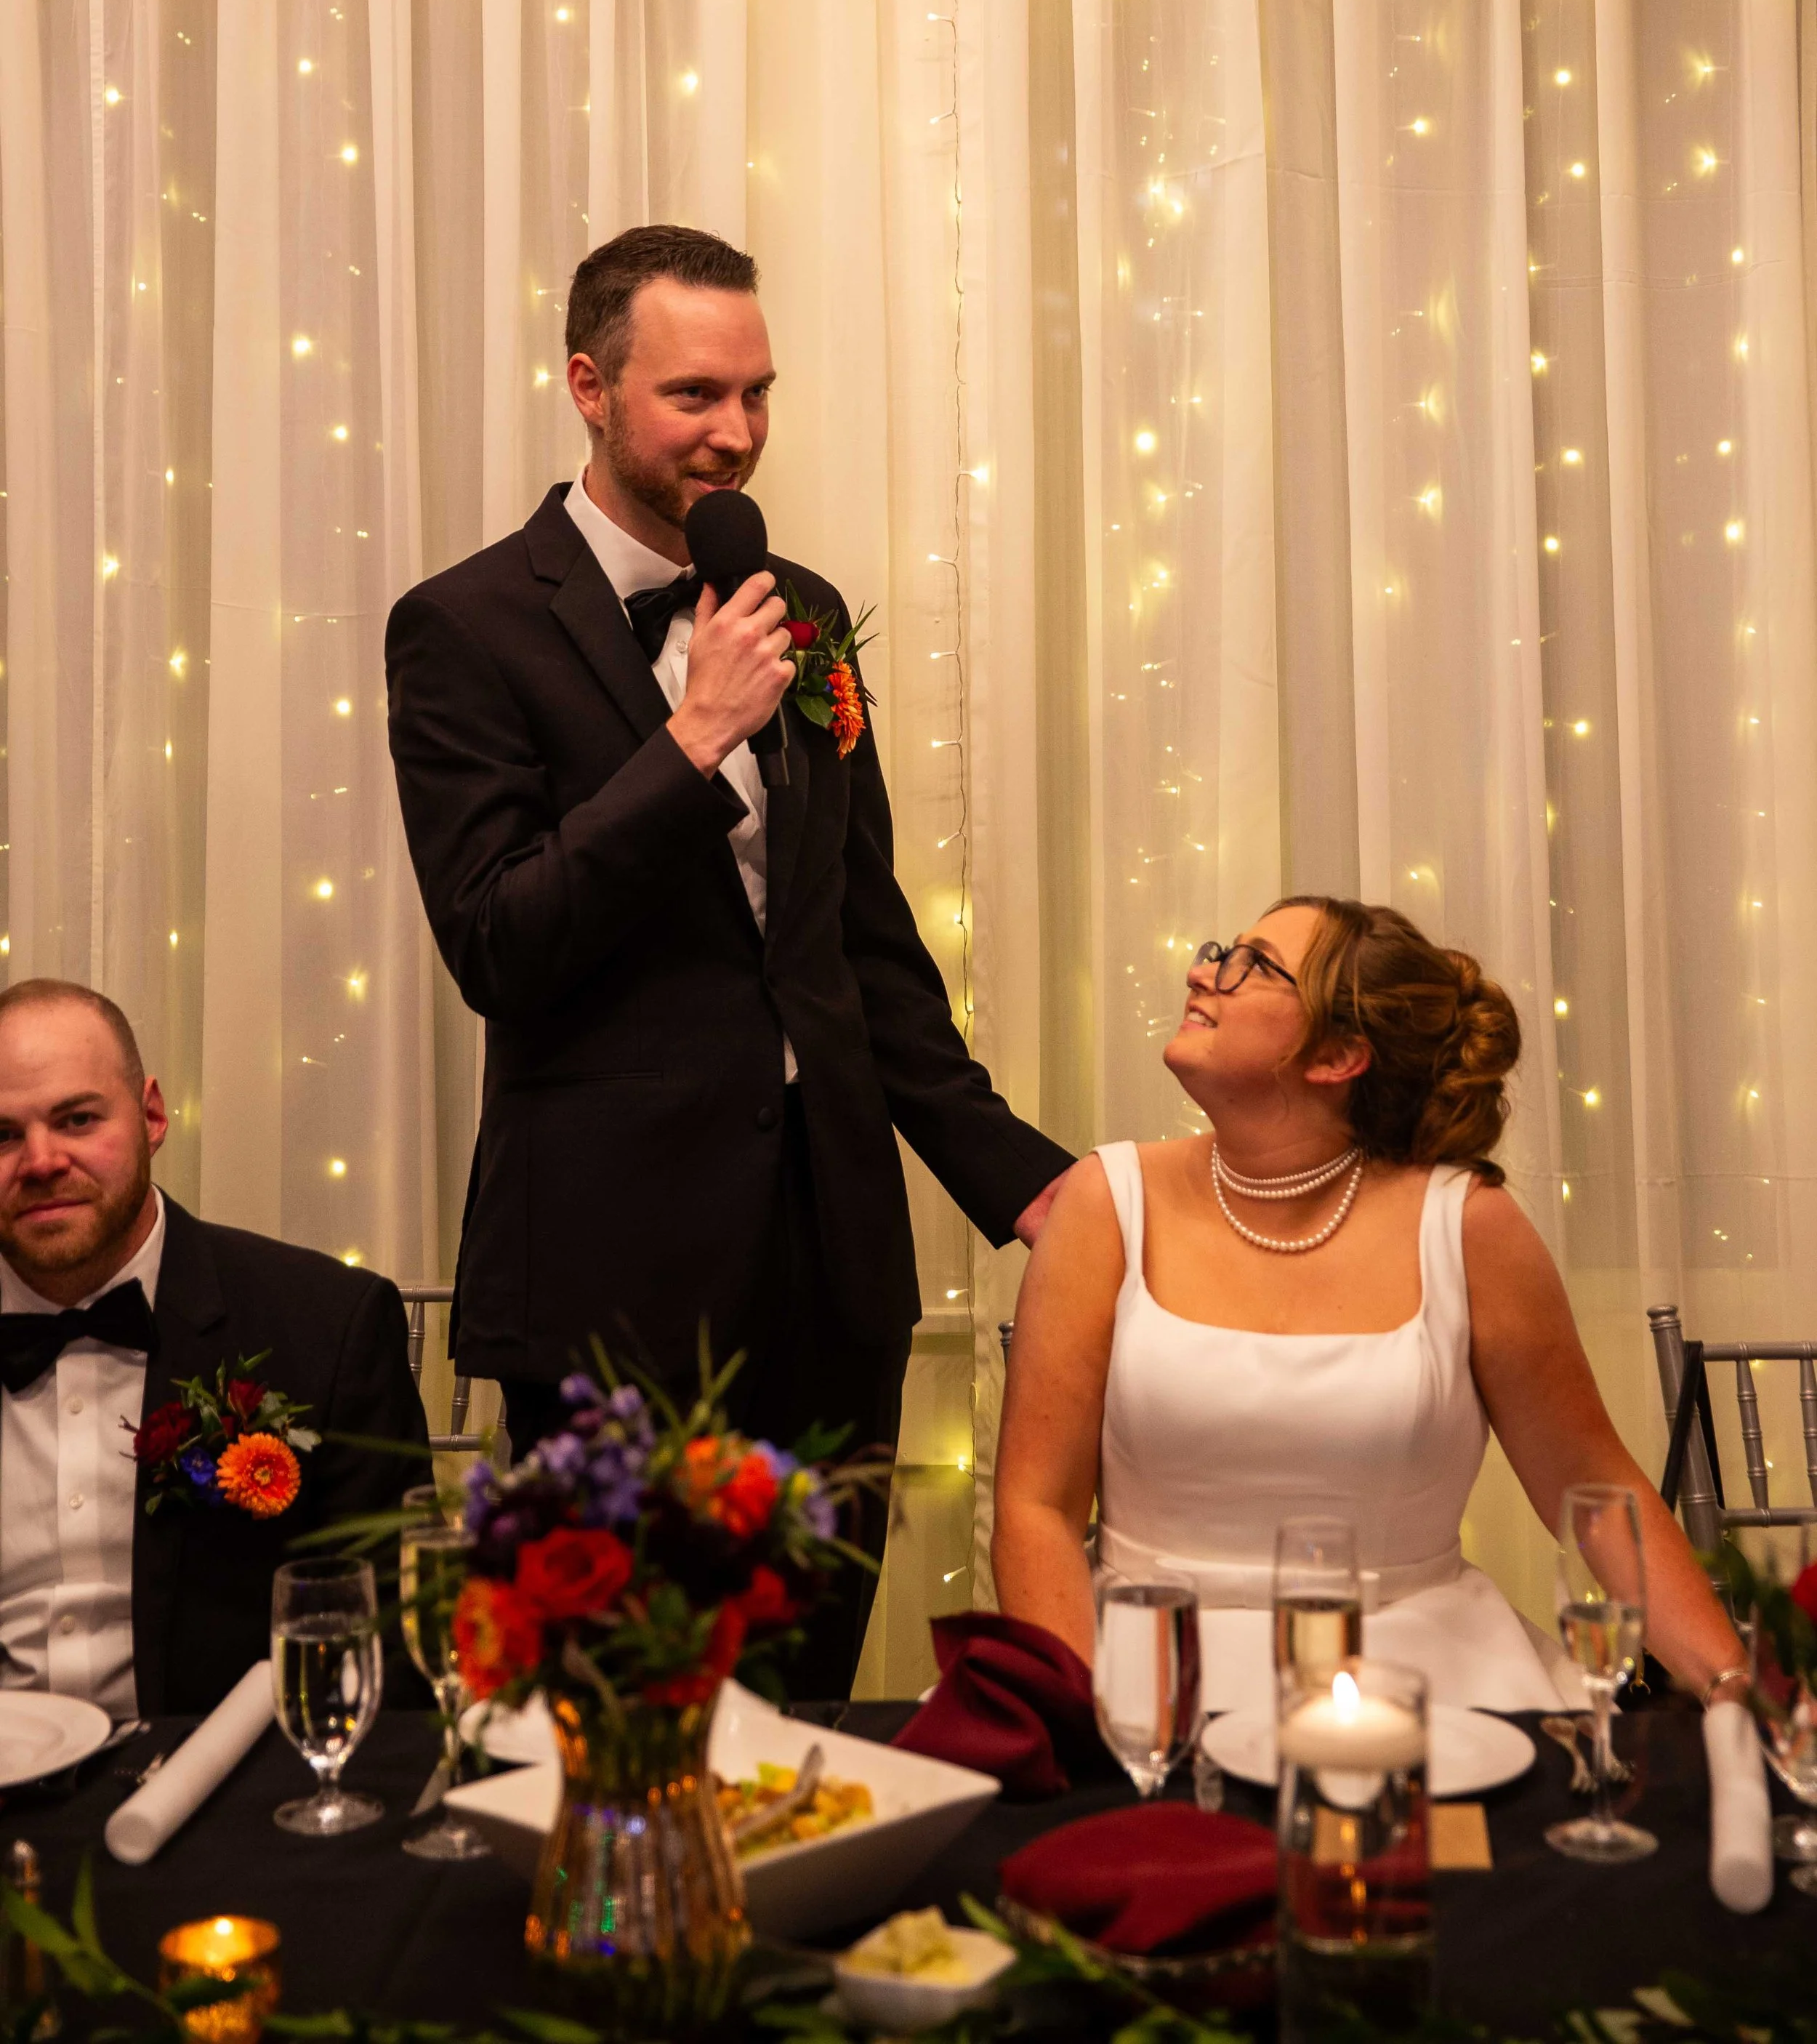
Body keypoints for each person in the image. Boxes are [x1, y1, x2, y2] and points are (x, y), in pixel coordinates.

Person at [385, 223, 1071, 1694]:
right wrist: (690, 741)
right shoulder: (464, 628)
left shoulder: (798, 612)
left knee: (807, 1709)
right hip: (608, 1285)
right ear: (587, 383)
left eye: (757, 393)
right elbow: (499, 940)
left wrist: (1030, 1187)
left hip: (831, 1274)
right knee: (613, 1735)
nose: (737, 433)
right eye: (694, 394)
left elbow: (860, 948)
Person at [993, 896, 1748, 1715]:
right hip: (1146, 1669)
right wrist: (1075, 1724)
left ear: (1338, 1054)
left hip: (1427, 1684)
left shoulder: (1467, 1225)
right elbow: (1035, 1507)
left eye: (1253, 965)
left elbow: (1595, 1488)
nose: (1202, 972)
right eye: (1223, 951)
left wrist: (1736, 1691)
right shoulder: (1105, 1201)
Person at [0, 979, 430, 1717]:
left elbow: (389, 1656)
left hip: (228, 1800)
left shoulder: (326, 1326)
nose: (41, 1161)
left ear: (152, 1115)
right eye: (2, 1136)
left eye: (76, 1119)